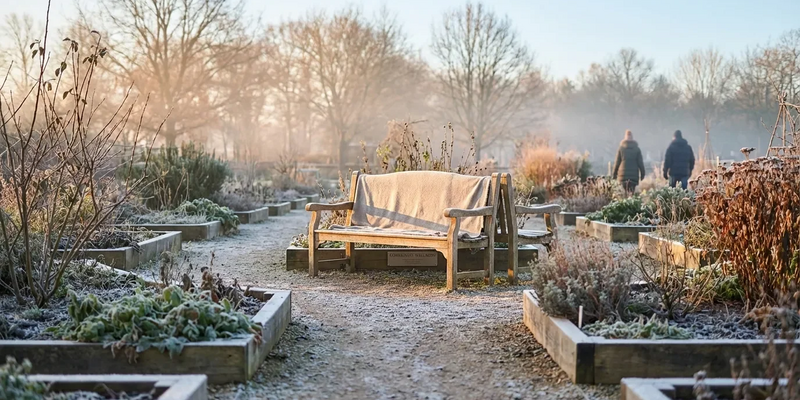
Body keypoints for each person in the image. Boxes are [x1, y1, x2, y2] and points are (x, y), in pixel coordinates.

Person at [612, 130, 646, 195]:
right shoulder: (637, 149)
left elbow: (617, 162)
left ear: (625, 137)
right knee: (632, 193)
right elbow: (640, 163)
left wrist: (614, 174)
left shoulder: (621, 148)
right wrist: (642, 174)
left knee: (624, 194)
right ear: (632, 137)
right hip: (634, 176)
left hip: (623, 176)